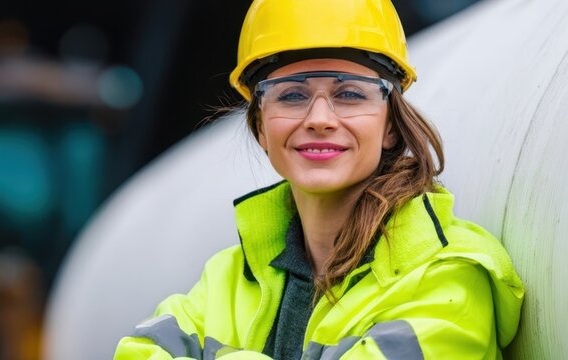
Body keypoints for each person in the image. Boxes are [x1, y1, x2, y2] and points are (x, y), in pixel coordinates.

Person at [114, 0, 525, 359]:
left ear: (390, 127)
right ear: (260, 127)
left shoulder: (447, 276)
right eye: (291, 95)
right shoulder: (231, 276)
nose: (320, 120)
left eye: (349, 94)